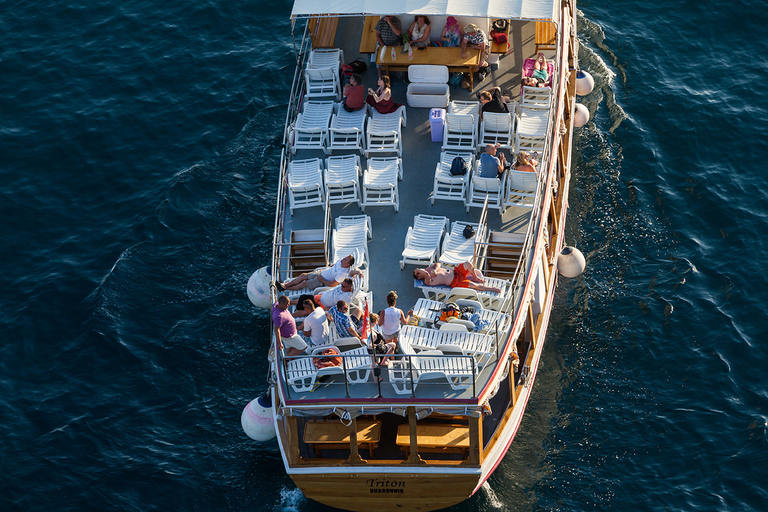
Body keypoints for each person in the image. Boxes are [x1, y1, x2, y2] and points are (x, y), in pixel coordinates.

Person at [279, 254, 361, 292]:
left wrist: (322, 280)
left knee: (304, 283)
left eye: (345, 259)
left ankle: (285, 288)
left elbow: (332, 284)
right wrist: (327, 269)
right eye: (345, 257)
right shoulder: (341, 261)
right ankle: (285, 285)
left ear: (347, 264)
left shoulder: (342, 274)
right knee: (303, 275)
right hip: (321, 273)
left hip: (322, 281)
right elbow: (333, 265)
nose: (343, 259)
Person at [413, 262, 501, 293]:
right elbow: (426, 275)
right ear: (419, 277)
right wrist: (421, 271)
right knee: (475, 286)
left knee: (468, 264)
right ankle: (493, 288)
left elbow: (438, 264)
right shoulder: (427, 280)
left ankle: (475, 277)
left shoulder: (428, 269)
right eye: (418, 273)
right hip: (456, 281)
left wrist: (436, 269)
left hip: (456, 272)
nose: (419, 271)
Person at [377, 291, 413, 365]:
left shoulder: (383, 312)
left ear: (387, 302)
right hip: (396, 331)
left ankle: (393, 361)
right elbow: (405, 322)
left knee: (390, 347)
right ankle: (396, 347)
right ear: (395, 302)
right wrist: (408, 315)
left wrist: (378, 319)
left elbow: (380, 324)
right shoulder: (399, 311)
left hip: (387, 332)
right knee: (395, 341)